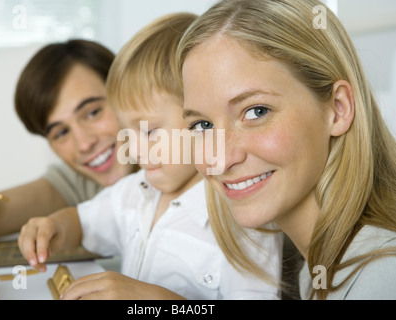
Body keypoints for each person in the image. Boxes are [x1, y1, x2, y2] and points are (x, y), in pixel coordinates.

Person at [18, 12, 283, 300]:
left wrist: (156, 301)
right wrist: (53, 227)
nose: (132, 149)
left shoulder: (244, 219)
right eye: (127, 132)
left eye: (149, 131)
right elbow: (82, 222)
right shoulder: (135, 192)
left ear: (200, 118)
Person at [176, 0, 396, 300]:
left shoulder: (382, 277)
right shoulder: (321, 267)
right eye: (202, 125)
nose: (220, 159)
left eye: (256, 111)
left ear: (338, 109)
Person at [0, 40, 135, 245]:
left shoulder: (174, 154)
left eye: (93, 113)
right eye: (61, 132)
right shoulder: (79, 182)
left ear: (126, 92)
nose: (84, 144)